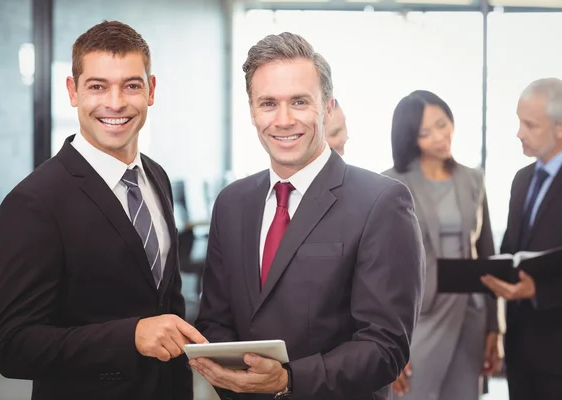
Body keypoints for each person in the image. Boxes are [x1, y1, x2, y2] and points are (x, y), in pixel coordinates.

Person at [191, 32, 425, 400]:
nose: (283, 120)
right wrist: (240, 381)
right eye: (268, 103)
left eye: (299, 102)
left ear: (327, 107)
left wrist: (287, 380)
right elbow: (215, 320)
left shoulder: (381, 202)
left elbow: (385, 347)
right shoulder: (231, 203)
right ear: (252, 110)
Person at [0, 20, 206, 400]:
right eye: (97, 86)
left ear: (151, 90)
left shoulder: (157, 177)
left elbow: (166, 303)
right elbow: (13, 347)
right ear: (73, 92)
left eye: (131, 85)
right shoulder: (34, 203)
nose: (116, 103)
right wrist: (131, 336)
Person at [383, 90, 501, 400]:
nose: (439, 136)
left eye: (442, 123)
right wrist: (388, 340)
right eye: (425, 132)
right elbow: (385, 269)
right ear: (410, 137)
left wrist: (494, 325)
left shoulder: (473, 180)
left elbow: (486, 253)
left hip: (470, 312)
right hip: (420, 317)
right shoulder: (392, 184)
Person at [481, 78, 562, 400]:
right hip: (520, 349)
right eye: (518, 121)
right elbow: (511, 251)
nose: (519, 133)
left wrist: (539, 290)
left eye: (529, 125)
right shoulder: (522, 179)